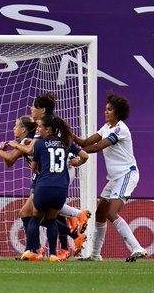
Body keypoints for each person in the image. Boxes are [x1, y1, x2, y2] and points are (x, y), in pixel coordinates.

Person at [72, 92, 148, 262]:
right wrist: (71, 136)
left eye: (110, 110)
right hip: (114, 178)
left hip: (126, 174)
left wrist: (75, 152)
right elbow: (85, 143)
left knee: (111, 212)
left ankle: (137, 248)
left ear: (118, 113)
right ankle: (95, 254)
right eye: (105, 109)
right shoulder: (106, 127)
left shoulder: (121, 129)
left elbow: (98, 147)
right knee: (100, 213)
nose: (106, 112)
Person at [22, 115, 89, 262]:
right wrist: (75, 163)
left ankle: (30, 251)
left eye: (40, 127)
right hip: (60, 189)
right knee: (51, 220)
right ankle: (53, 254)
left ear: (48, 129)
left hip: (44, 186)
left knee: (35, 218)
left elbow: (34, 167)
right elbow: (85, 156)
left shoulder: (39, 144)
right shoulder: (66, 142)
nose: (38, 129)